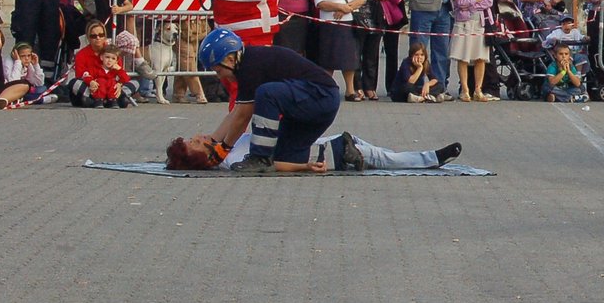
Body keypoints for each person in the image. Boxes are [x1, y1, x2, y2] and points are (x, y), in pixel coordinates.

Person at [195, 28, 344, 172]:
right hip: (318, 100)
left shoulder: (250, 66)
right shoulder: (247, 64)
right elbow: (236, 112)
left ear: (230, 59)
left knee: (266, 93)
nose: (220, 77)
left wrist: (223, 149)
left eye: (218, 71)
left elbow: (243, 116)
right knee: (286, 158)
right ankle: (349, 150)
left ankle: (260, 158)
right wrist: (213, 141)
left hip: (321, 95)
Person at [166, 129, 461, 172]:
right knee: (384, 158)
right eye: (193, 142)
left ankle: (429, 157)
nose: (199, 136)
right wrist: (305, 168)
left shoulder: (227, 144)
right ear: (198, 155)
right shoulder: (232, 161)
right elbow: (271, 166)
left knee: (382, 153)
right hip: (325, 154)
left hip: (328, 142)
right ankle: (432, 158)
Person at [312, 0, 366, 100]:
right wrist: (338, 6)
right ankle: (326, 89)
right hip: (329, 25)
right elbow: (321, 2)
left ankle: (350, 90)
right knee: (327, 60)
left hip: (348, 25)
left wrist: (345, 9)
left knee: (349, 59)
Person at [451, 0, 495, 101]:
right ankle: (465, 89)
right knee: (462, 56)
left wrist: (471, 4)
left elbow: (488, 1)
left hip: (479, 20)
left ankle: (478, 89)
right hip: (462, 20)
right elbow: (459, 1)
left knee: (480, 57)